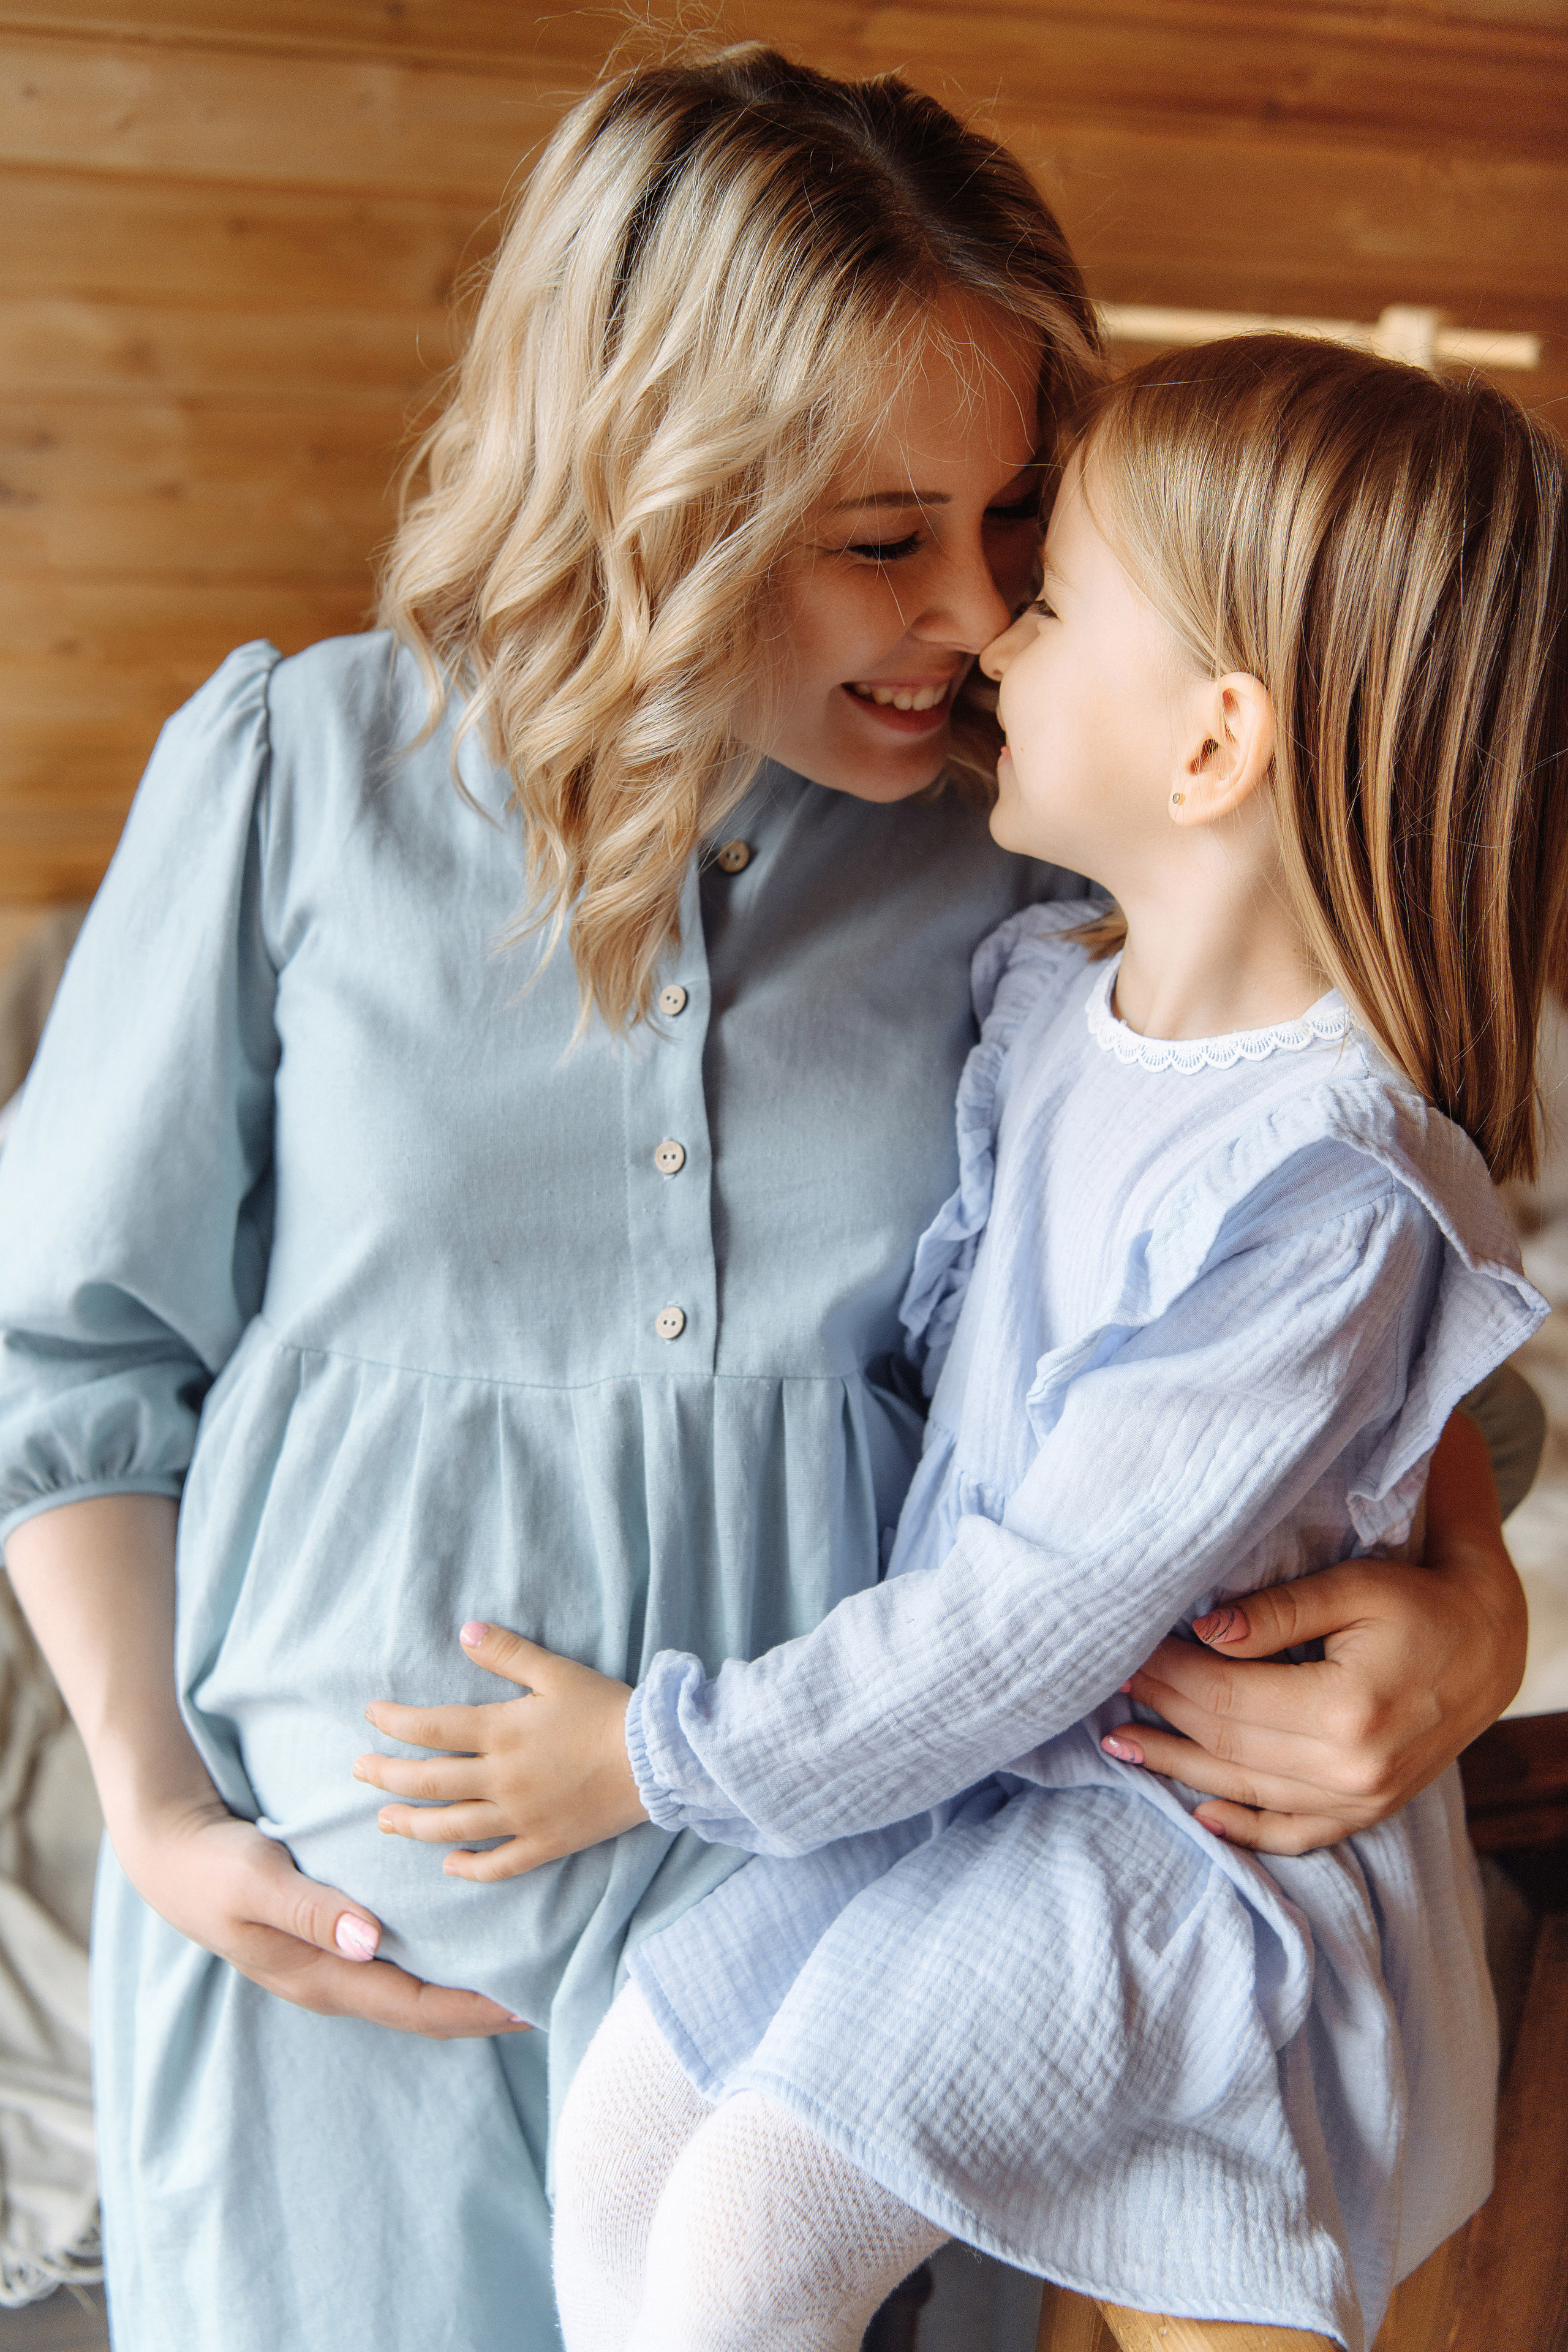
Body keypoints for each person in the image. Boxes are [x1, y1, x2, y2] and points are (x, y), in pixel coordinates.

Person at [0, 47, 1539, 2352]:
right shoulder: (295, 777)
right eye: (880, 540)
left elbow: (1339, 1361)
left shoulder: (1039, 871)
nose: (976, 615)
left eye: (1017, 524)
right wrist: (145, 1807)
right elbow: (71, 1362)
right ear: (652, 493)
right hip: (337, 1990)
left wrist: (1473, 1635)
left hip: (848, 1972)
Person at [356, 336, 1567, 2352]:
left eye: (1052, 594)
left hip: (1155, 1831)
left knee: (751, 2230)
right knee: (636, 2105)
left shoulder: (1320, 1185)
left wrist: (656, 1755)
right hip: (971, 1786)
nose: (993, 626)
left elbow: (1036, 1609)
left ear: (1213, 747)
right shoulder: (1049, 999)